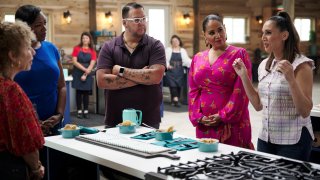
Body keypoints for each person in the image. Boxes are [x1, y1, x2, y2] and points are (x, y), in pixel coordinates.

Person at [233, 11, 314, 161]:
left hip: (293, 141)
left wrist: (291, 79)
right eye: (263, 33)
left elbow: (305, 110)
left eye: (268, 33)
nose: (263, 37)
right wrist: (243, 75)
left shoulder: (302, 65)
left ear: (284, 35)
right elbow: (257, 105)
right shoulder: (264, 64)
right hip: (266, 139)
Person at [188, 14, 254, 149]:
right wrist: (198, 116)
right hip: (205, 123)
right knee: (206, 160)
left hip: (232, 123)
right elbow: (193, 90)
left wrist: (223, 115)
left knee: (233, 164)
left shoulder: (239, 54)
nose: (217, 35)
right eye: (211, 32)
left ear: (225, 29)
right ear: (205, 35)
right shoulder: (198, 58)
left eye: (220, 30)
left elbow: (241, 91)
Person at [96, 2, 166, 129]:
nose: (142, 23)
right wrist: (143, 77)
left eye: (144, 19)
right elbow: (101, 81)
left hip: (148, 118)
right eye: (137, 20)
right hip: (115, 118)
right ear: (124, 23)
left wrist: (120, 70)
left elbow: (156, 77)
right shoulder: (109, 47)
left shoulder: (155, 45)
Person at [0, 21, 45, 180]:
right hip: (10, 169)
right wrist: (36, 168)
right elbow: (26, 142)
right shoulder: (11, 90)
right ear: (12, 55)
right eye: (27, 47)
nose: (33, 52)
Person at [14, 4, 66, 136]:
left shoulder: (51, 48)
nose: (44, 29)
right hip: (22, 125)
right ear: (24, 28)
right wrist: (32, 121)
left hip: (53, 124)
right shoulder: (13, 53)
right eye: (38, 25)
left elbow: (62, 86)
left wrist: (59, 115)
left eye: (45, 23)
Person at [71, 32, 97, 119]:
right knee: (78, 92)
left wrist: (86, 73)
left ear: (89, 40)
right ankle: (79, 110)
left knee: (86, 92)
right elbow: (74, 61)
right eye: (83, 38)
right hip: (78, 72)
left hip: (88, 73)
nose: (84, 40)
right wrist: (84, 70)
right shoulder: (76, 48)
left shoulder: (92, 51)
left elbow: (92, 63)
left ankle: (86, 111)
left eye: (86, 38)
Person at [165, 35, 191, 107]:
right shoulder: (168, 50)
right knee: (172, 85)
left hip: (180, 71)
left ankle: (175, 100)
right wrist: (167, 65)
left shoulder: (182, 51)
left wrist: (194, 62)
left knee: (179, 86)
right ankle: (175, 99)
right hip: (170, 71)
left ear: (179, 42)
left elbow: (186, 60)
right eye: (173, 41)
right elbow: (165, 59)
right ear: (171, 43)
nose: (175, 42)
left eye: (176, 41)